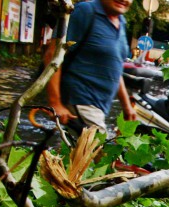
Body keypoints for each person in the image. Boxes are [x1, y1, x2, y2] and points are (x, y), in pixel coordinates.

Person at [46, 0, 137, 134]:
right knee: (97, 151)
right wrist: (55, 103)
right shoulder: (85, 11)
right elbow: (52, 54)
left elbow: (115, 69)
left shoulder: (122, 22)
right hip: (80, 98)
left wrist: (126, 106)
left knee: (82, 152)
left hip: (99, 107)